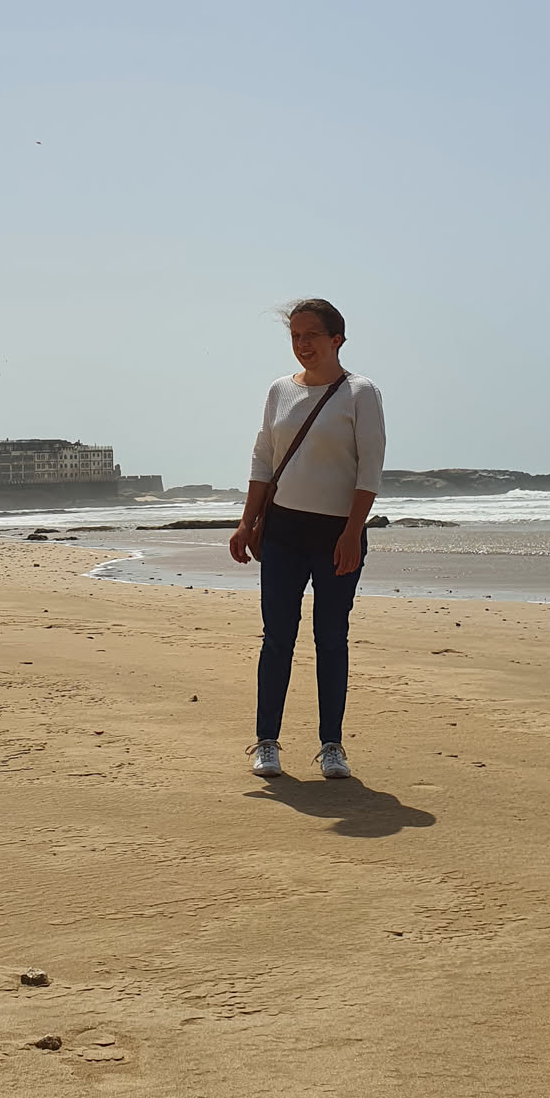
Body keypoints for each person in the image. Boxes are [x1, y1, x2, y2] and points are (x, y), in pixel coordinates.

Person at [229, 299, 386, 780]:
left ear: (337, 339)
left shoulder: (360, 393)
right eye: (295, 336)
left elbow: (369, 468)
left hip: (336, 534)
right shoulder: (280, 390)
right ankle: (267, 741)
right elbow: (264, 458)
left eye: (311, 335)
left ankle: (331, 745)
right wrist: (246, 522)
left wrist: (352, 533)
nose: (302, 344)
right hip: (282, 532)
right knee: (277, 638)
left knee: (330, 639)